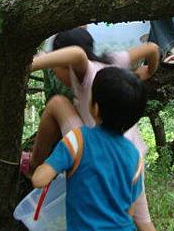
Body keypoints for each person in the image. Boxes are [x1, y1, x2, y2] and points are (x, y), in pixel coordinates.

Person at [27, 27, 159, 231]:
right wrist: (149, 71)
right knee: (143, 221)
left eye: (56, 67)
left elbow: (78, 55)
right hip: (131, 156)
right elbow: (152, 48)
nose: (55, 72)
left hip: (94, 148)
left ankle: (33, 163)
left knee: (57, 103)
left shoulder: (83, 70)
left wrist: (32, 63)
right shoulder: (113, 62)